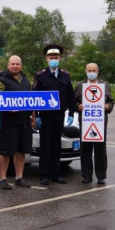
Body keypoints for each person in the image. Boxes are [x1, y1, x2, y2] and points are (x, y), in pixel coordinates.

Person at [32, 44, 76, 186]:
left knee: (56, 145)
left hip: (60, 115)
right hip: (45, 116)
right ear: (46, 59)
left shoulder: (65, 75)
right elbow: (34, 97)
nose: (54, 59)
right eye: (51, 57)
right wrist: (36, 115)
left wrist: (72, 113)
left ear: (60, 58)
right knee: (45, 145)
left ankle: (56, 173)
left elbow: (70, 95)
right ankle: (44, 175)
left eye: (56, 57)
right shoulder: (40, 76)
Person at [0, 55, 36, 190]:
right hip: (9, 122)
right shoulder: (1, 80)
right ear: (8, 65)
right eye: (13, 64)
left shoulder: (26, 80)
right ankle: (3, 179)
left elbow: (32, 100)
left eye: (18, 64)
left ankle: (19, 177)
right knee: (5, 152)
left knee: (21, 151)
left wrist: (33, 117)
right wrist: (6, 107)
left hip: (24, 122)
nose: (15, 66)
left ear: (21, 65)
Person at [74, 63, 114, 185]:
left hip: (100, 121)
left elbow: (111, 101)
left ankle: (101, 176)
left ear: (98, 71)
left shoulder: (105, 85)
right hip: (85, 121)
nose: (91, 72)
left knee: (100, 149)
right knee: (85, 149)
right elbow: (74, 101)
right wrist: (78, 106)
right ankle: (86, 175)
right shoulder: (80, 86)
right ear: (86, 71)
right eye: (89, 70)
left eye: (94, 70)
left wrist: (108, 106)